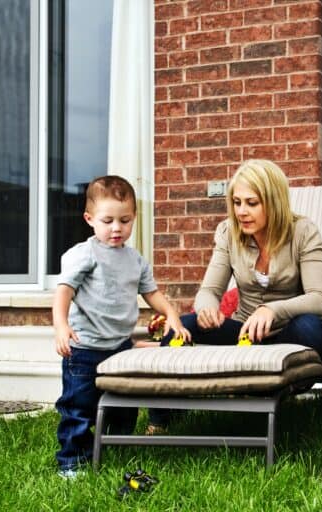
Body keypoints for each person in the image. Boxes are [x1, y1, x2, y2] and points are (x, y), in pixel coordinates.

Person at [147, 160, 322, 431]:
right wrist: (207, 308)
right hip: (244, 334)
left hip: (289, 333)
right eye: (237, 202)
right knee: (184, 326)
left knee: (310, 325)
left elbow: (319, 299)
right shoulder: (229, 233)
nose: (241, 211)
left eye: (252, 203)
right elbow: (209, 291)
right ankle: (161, 420)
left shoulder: (303, 232)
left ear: (274, 201)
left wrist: (272, 310)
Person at [53, 175, 189, 479]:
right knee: (78, 407)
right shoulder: (84, 254)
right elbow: (64, 291)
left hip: (119, 346)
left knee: (124, 403)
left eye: (125, 220)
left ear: (134, 217)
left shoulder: (135, 259)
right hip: (85, 349)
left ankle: (113, 444)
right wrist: (61, 326)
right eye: (108, 221)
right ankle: (72, 462)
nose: (117, 228)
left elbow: (151, 293)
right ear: (90, 219)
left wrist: (171, 314)